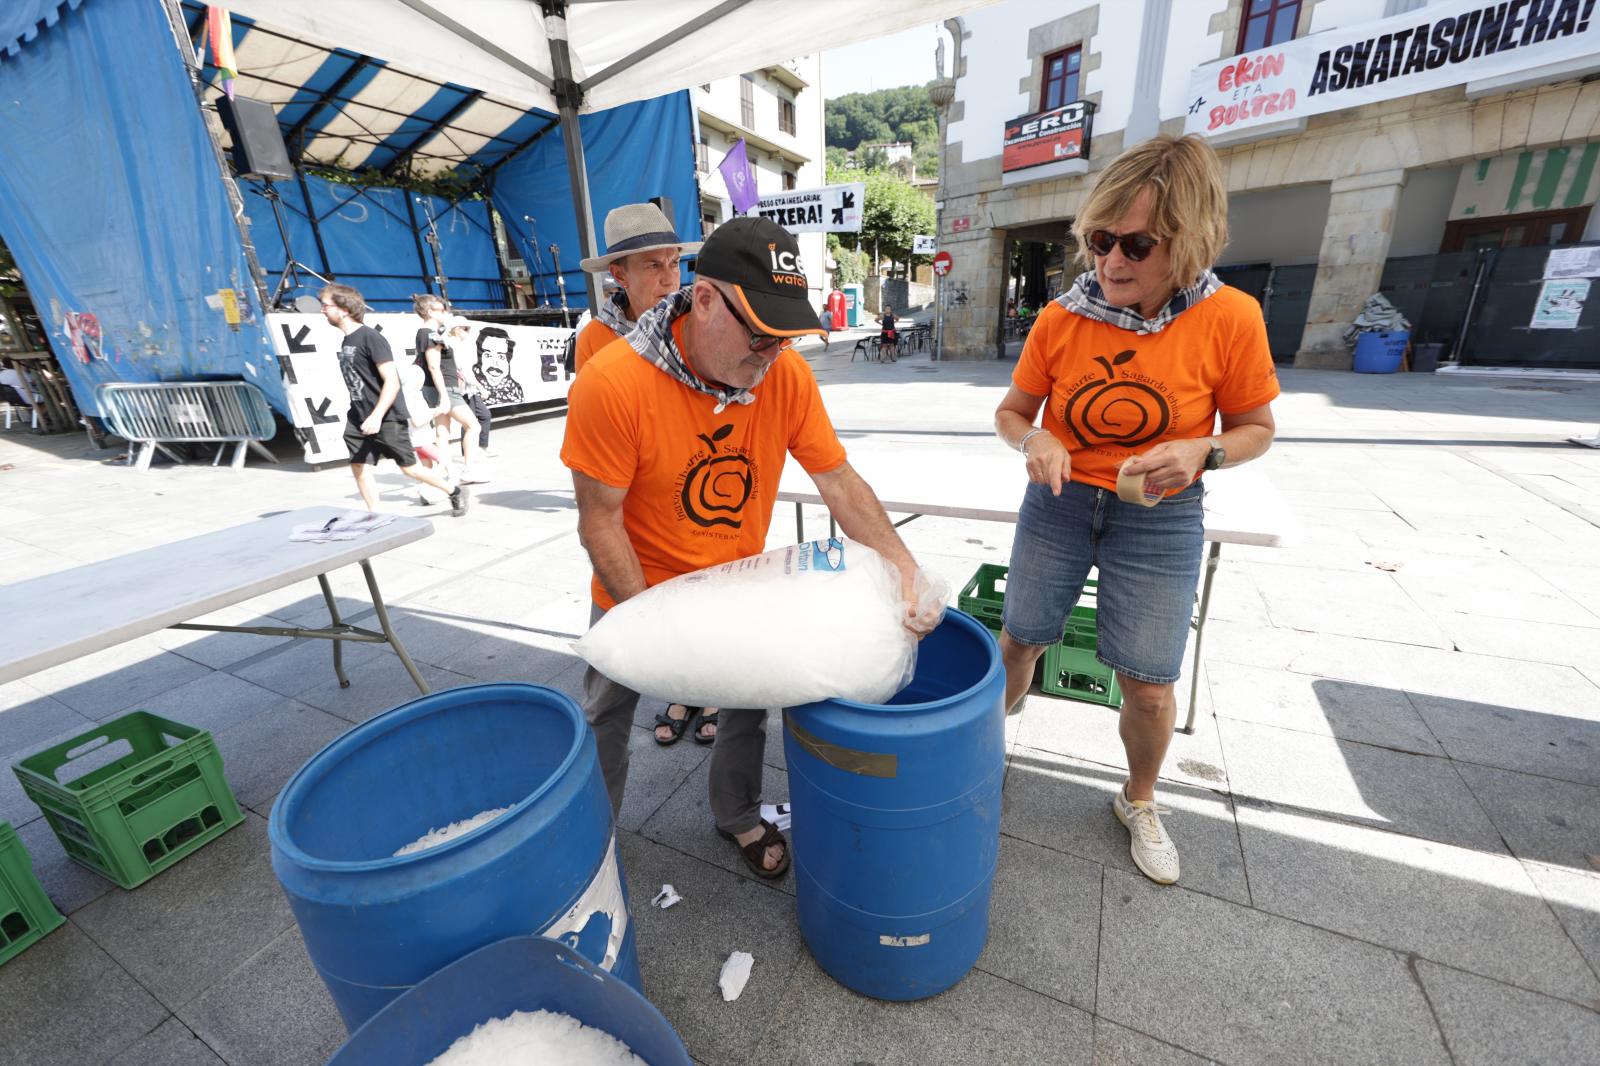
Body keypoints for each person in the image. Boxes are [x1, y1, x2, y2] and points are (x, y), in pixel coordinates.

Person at [561, 217, 936, 879]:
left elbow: (838, 481)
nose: (771, 355)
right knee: (606, 713)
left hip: (737, 580)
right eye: (760, 335)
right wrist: (653, 621)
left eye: (785, 338)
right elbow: (599, 521)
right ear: (704, 300)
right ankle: (587, 846)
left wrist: (906, 569)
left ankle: (736, 814)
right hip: (634, 586)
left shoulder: (783, 376)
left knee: (747, 707)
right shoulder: (611, 382)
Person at [992, 134, 1278, 887]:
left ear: (1187, 242)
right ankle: (984, 748)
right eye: (1099, 240)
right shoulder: (1062, 317)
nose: (1111, 262)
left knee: (1149, 682)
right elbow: (1013, 412)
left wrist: (1203, 452)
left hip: (1161, 513)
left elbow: (1257, 428)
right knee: (1019, 639)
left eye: (1137, 244)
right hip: (1058, 502)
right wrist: (1038, 438)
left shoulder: (1231, 318)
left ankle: (1139, 800)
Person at [320, 283, 470, 518]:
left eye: (326, 305)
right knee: (359, 466)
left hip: (386, 416)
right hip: (359, 415)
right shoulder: (347, 341)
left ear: (344, 309)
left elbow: (392, 381)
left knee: (410, 468)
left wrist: (377, 416)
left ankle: (454, 490)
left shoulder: (370, 338)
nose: (322, 310)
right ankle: (375, 514)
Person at [574, 202, 700, 372]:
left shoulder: (698, 322)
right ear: (619, 275)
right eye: (653, 265)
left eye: (675, 263)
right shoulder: (593, 339)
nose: (670, 280)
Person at [412, 295, 485, 483]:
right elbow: (434, 366)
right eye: (441, 309)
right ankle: (468, 470)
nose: (445, 312)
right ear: (430, 312)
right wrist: (444, 395)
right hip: (445, 388)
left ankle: (446, 471)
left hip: (438, 388)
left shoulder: (427, 333)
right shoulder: (429, 334)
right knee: (473, 426)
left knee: (442, 432)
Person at [449, 317, 494, 456]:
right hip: (462, 389)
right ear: (457, 329)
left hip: (468, 389)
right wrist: (481, 387)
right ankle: (470, 452)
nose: (468, 332)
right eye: (466, 328)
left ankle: (481, 447)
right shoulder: (454, 345)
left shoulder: (459, 345)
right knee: (470, 421)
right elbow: (464, 371)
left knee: (483, 416)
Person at [472, 327, 523, 405]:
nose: (495, 363)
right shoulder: (471, 385)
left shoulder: (515, 391)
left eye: (501, 357)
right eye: (488, 355)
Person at [824, 285, 848, 352]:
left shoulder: (828, 313)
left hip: (827, 327)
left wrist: (831, 324)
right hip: (824, 326)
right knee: (823, 336)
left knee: (825, 336)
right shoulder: (823, 312)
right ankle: (826, 343)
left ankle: (826, 345)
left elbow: (831, 317)